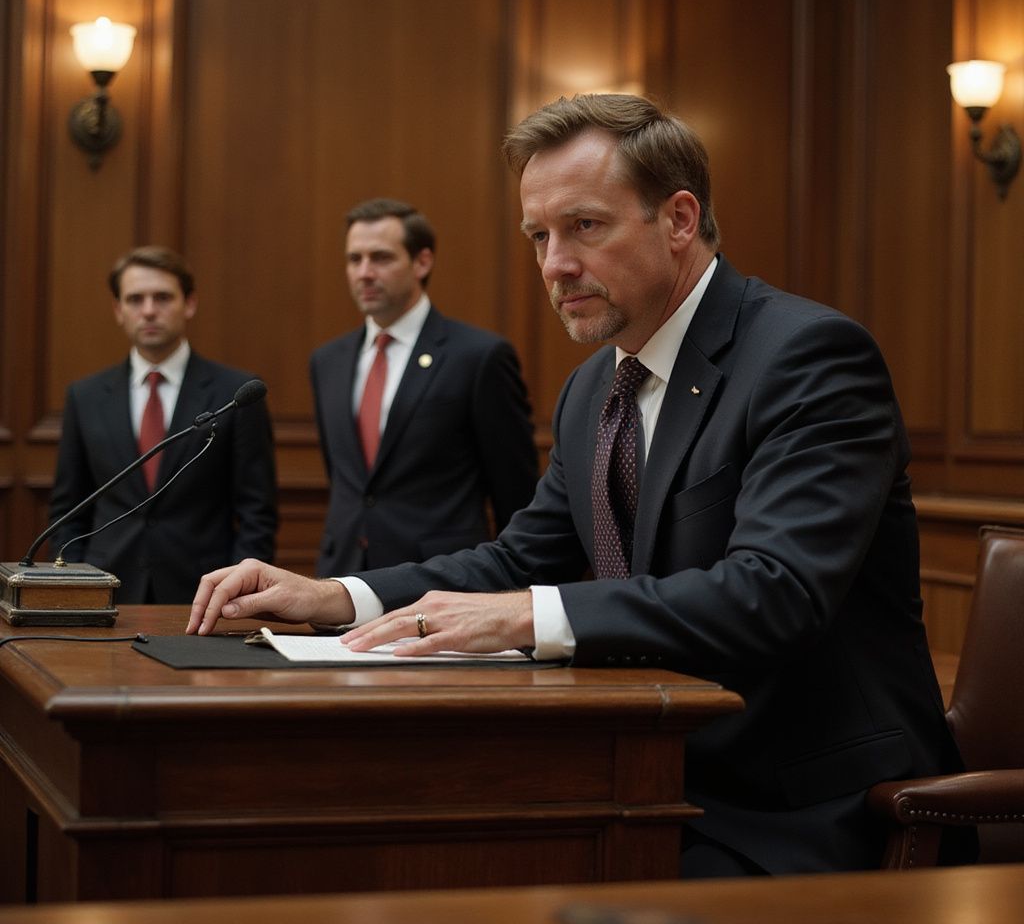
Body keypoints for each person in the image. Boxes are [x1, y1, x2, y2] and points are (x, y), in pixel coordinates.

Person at [187, 95, 964, 876]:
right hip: (648, 768)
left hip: (802, 801)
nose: (554, 264)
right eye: (538, 236)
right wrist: (336, 597)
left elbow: (774, 591)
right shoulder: (594, 387)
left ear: (680, 219)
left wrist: (524, 616)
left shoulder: (808, 356)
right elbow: (517, 560)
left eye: (585, 226)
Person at [309, 197, 538, 574]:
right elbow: (347, 480)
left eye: (381, 258)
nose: (364, 272)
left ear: (422, 262)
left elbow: (514, 490)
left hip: (439, 578)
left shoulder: (479, 357)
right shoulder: (327, 362)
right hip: (341, 575)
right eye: (354, 259)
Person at [49, 246, 277, 603]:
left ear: (189, 304)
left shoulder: (235, 393)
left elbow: (256, 513)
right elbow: (68, 509)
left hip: (203, 594)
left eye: (163, 297)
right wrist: (75, 584)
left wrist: (239, 592)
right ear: (118, 310)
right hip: (105, 590)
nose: (149, 310)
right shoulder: (85, 396)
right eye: (136, 299)